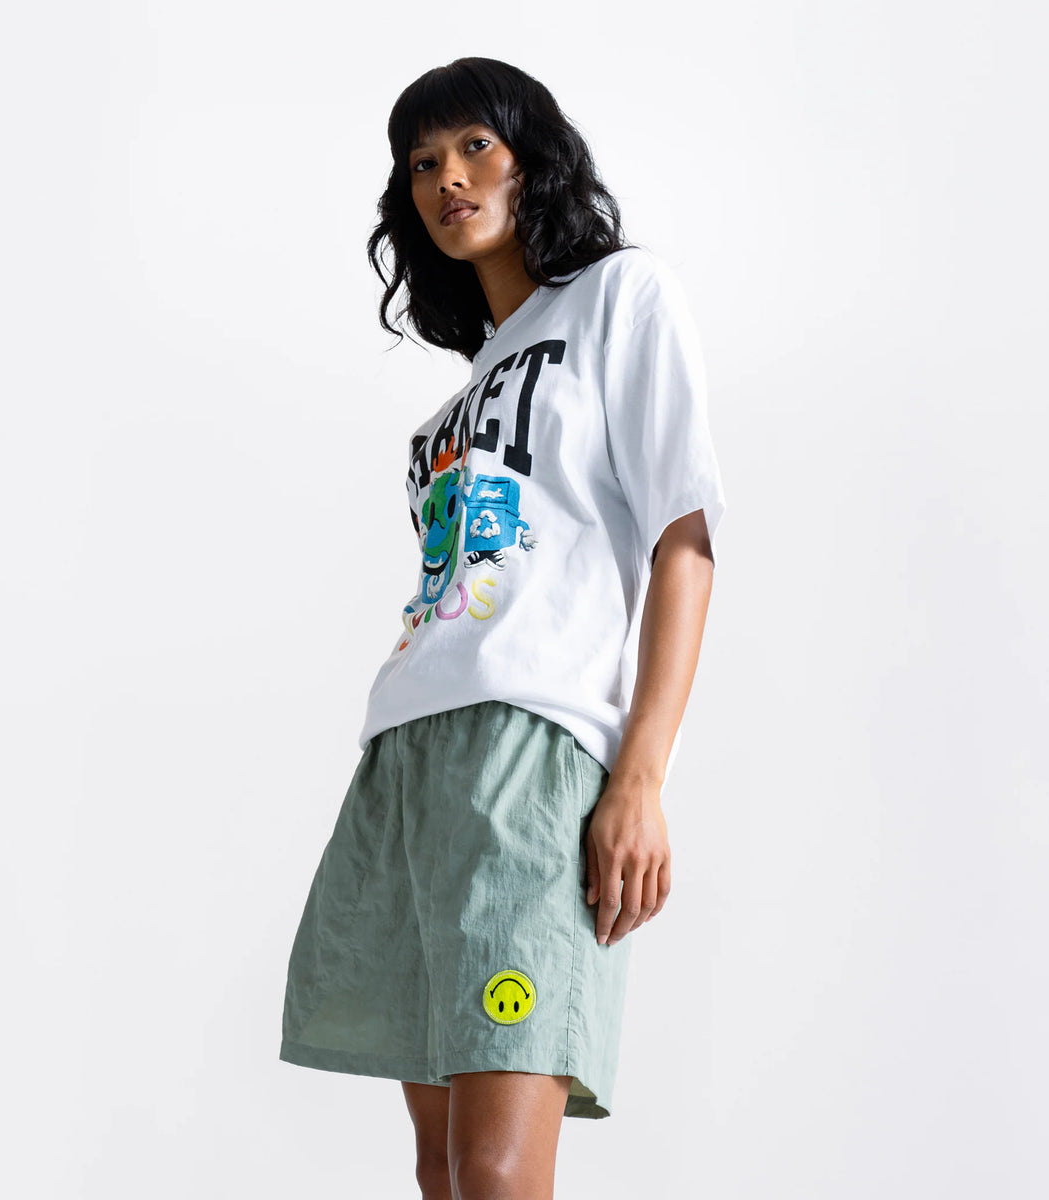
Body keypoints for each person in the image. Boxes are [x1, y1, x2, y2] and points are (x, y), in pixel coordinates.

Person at [279, 56, 726, 1199]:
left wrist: (641, 779)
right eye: (423, 163)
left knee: (495, 1169)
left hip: (534, 746)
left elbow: (684, 542)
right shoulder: (461, 392)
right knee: (441, 1170)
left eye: (476, 146)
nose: (449, 178)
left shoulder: (622, 296)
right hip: (406, 755)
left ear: (535, 157)